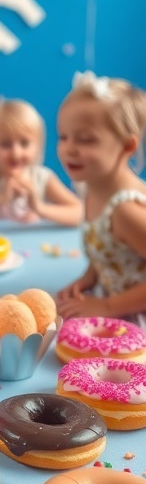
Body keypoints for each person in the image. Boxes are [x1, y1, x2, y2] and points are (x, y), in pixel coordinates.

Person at [56, 71, 146, 321]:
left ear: (127, 146)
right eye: (63, 137)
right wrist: (88, 278)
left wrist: (106, 307)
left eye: (86, 140)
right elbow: (108, 250)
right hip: (113, 300)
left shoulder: (126, 210)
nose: (69, 149)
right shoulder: (90, 187)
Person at [0, 97, 82, 226]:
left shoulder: (43, 179)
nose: (15, 153)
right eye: (5, 144)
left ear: (37, 146)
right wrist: (0, 198)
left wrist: (39, 208)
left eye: (24, 143)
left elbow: (79, 213)